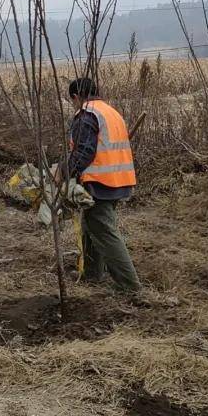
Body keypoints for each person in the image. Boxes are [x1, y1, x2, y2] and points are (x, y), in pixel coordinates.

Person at [63, 77, 141, 296]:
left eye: (72, 101)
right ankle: (92, 274)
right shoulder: (109, 111)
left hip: (101, 182)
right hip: (119, 179)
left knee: (104, 231)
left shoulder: (87, 115)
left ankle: (130, 286)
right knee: (90, 225)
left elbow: (84, 151)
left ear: (76, 97)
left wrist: (65, 173)